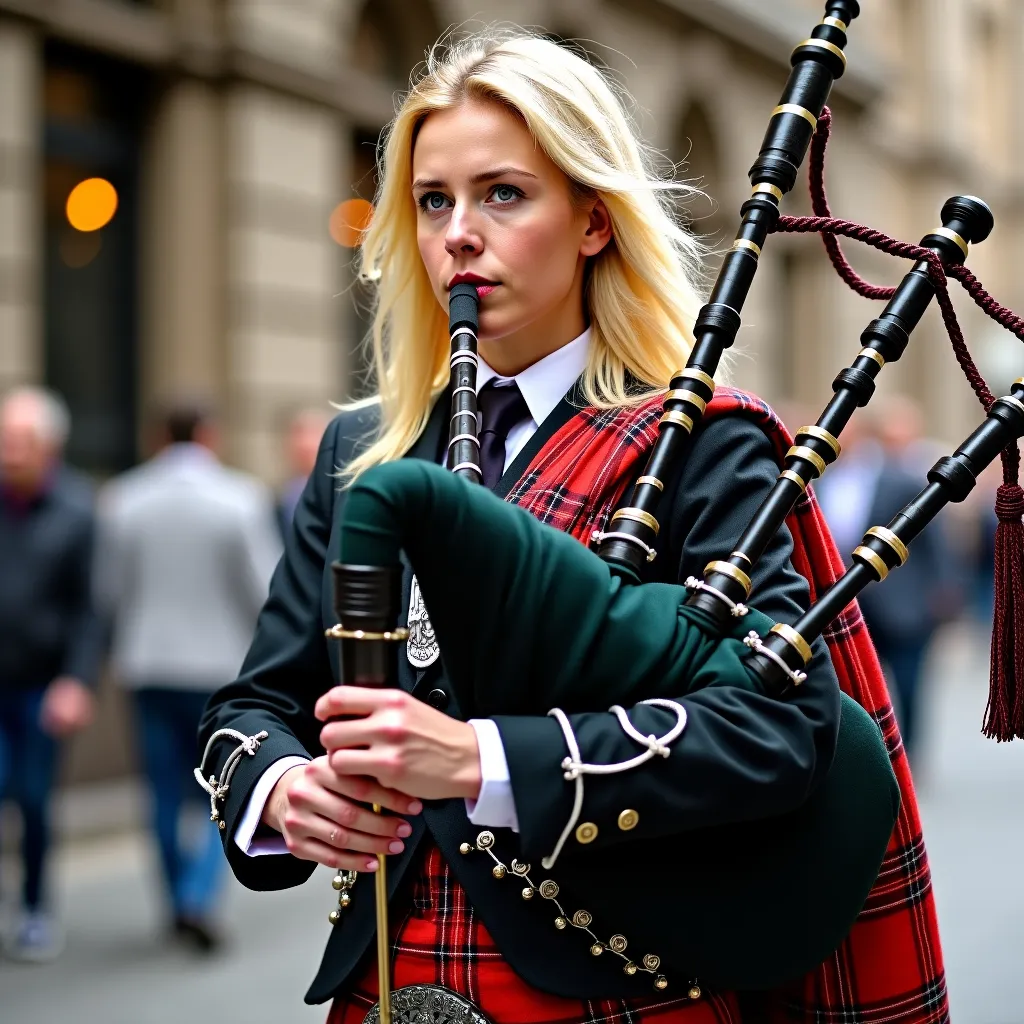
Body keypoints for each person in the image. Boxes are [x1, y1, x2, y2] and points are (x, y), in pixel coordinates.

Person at [198, 30, 945, 1023]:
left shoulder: (699, 447)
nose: (459, 234)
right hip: (388, 980)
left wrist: (481, 761)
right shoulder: (361, 450)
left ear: (593, 220)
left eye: (503, 194)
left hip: (621, 991)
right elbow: (254, 703)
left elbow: (779, 728)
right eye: (434, 201)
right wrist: (282, 789)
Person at [94, 401, 282, 951]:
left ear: (158, 436)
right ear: (208, 434)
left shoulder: (124, 500)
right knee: (216, 791)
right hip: (218, 672)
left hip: (148, 666)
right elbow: (265, 590)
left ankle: (176, 897)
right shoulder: (240, 499)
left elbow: (108, 592)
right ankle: (200, 897)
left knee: (159, 792)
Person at [0, 386, 99, 961]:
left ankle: (36, 907)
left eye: (23, 440)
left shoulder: (76, 509)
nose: (11, 451)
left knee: (33, 799)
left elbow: (89, 608)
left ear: (50, 448)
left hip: (42, 687)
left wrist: (76, 681)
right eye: (6, 439)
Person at [817, 395, 959, 756]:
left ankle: (908, 754)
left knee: (909, 683)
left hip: (904, 603)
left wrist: (943, 588)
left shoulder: (902, 479)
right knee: (856, 682)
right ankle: (869, 753)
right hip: (848, 603)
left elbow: (935, 539)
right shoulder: (823, 480)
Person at [277, 407, 333, 537]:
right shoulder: (281, 499)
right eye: (298, 434)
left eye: (313, 434)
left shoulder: (342, 498)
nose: (305, 443)